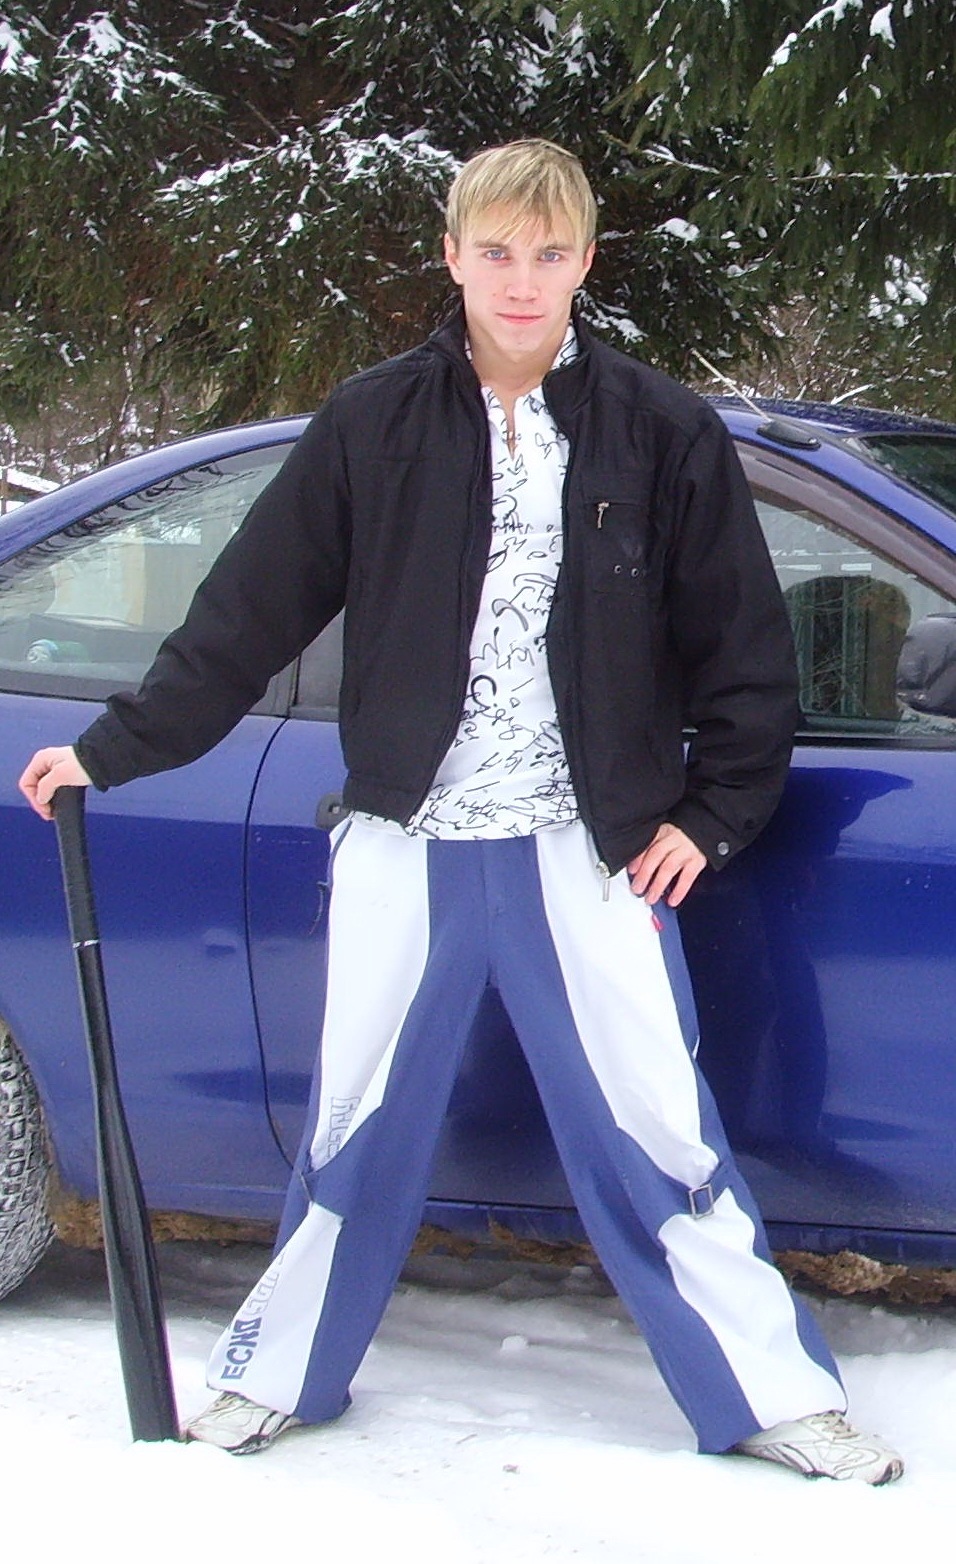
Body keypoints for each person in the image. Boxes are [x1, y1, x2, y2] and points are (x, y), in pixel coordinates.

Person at [20, 140, 902, 1484]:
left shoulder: (661, 431)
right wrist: (112, 749)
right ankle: (278, 1374)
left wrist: (711, 816)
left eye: (549, 253)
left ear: (585, 260)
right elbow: (244, 615)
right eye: (496, 252)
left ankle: (769, 1393)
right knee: (354, 1124)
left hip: (591, 851)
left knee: (658, 1127)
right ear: (453, 257)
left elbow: (745, 656)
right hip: (407, 842)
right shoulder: (372, 423)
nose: (522, 279)